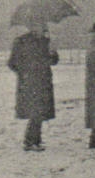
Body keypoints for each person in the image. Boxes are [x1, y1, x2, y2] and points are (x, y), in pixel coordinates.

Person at [9, 20, 59, 151]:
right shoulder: (21, 41)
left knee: (41, 112)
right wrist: (25, 73)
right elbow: (12, 62)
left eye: (42, 26)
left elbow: (53, 61)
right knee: (35, 112)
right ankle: (30, 141)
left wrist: (53, 52)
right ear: (31, 27)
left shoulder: (46, 41)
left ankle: (36, 139)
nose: (41, 28)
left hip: (44, 82)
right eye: (37, 25)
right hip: (29, 83)